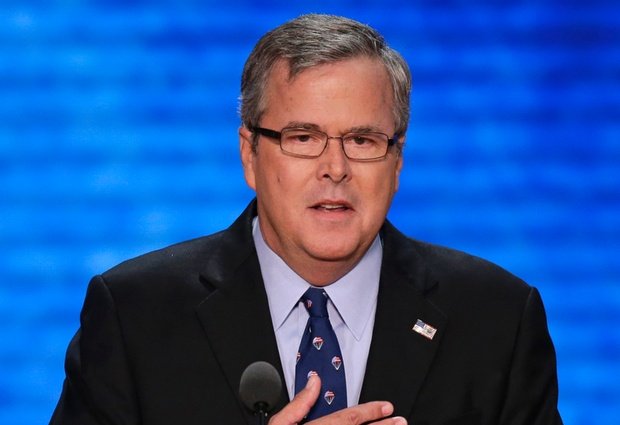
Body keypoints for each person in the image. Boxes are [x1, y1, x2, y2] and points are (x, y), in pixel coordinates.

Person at [50, 14, 562, 425]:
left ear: (397, 160)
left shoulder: (497, 320)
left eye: (362, 140)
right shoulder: (135, 317)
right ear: (250, 154)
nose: (335, 168)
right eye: (302, 138)